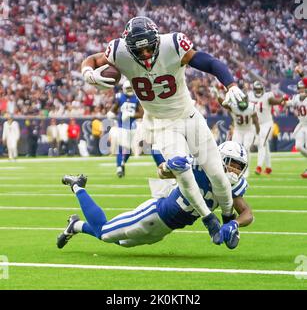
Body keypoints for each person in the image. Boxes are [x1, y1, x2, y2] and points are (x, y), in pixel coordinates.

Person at [81, 16, 246, 240]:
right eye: (140, 51)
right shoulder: (118, 51)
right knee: (182, 171)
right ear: (129, 48)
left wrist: (231, 84)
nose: (146, 54)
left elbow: (207, 61)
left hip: (189, 116)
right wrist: (88, 73)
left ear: (156, 41)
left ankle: (228, 219)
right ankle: (210, 220)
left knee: (218, 175)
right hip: (162, 124)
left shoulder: (173, 44)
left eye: (149, 48)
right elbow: (92, 59)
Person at [57, 141, 253, 250]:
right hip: (154, 214)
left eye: (239, 166)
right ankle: (78, 186)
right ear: (219, 158)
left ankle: (75, 225)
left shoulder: (233, 186)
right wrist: (168, 167)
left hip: (166, 228)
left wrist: (234, 224)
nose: (234, 170)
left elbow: (246, 213)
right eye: (231, 163)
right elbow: (164, 172)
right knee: (104, 232)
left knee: (122, 241)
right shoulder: (198, 165)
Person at [248, 81, 287, 175]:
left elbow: (275, 101)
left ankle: (259, 167)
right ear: (253, 90)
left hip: (267, 123)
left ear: (263, 89)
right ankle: (268, 167)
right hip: (256, 124)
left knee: (261, 143)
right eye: (256, 90)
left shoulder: (267, 96)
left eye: (259, 89)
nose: (258, 91)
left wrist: (282, 99)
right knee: (265, 145)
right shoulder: (249, 96)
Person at [107, 80, 144, 177]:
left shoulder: (136, 98)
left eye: (130, 88)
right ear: (123, 89)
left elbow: (141, 114)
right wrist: (112, 114)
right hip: (121, 127)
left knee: (129, 149)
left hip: (132, 128)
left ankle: (122, 162)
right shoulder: (119, 97)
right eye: (127, 88)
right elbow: (113, 110)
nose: (129, 90)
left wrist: (131, 114)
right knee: (120, 147)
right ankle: (119, 167)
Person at [218, 94, 260, 176]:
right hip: (238, 130)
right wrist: (218, 94)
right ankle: (232, 169)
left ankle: (246, 169)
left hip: (249, 130)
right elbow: (222, 103)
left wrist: (257, 135)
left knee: (246, 148)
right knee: (235, 149)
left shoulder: (251, 107)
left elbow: (256, 122)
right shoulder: (234, 106)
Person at [285, 81, 307, 178]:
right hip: (302, 125)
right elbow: (288, 103)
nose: (301, 90)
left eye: (303, 88)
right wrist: (283, 100)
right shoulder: (296, 98)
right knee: (298, 146)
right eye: (300, 88)